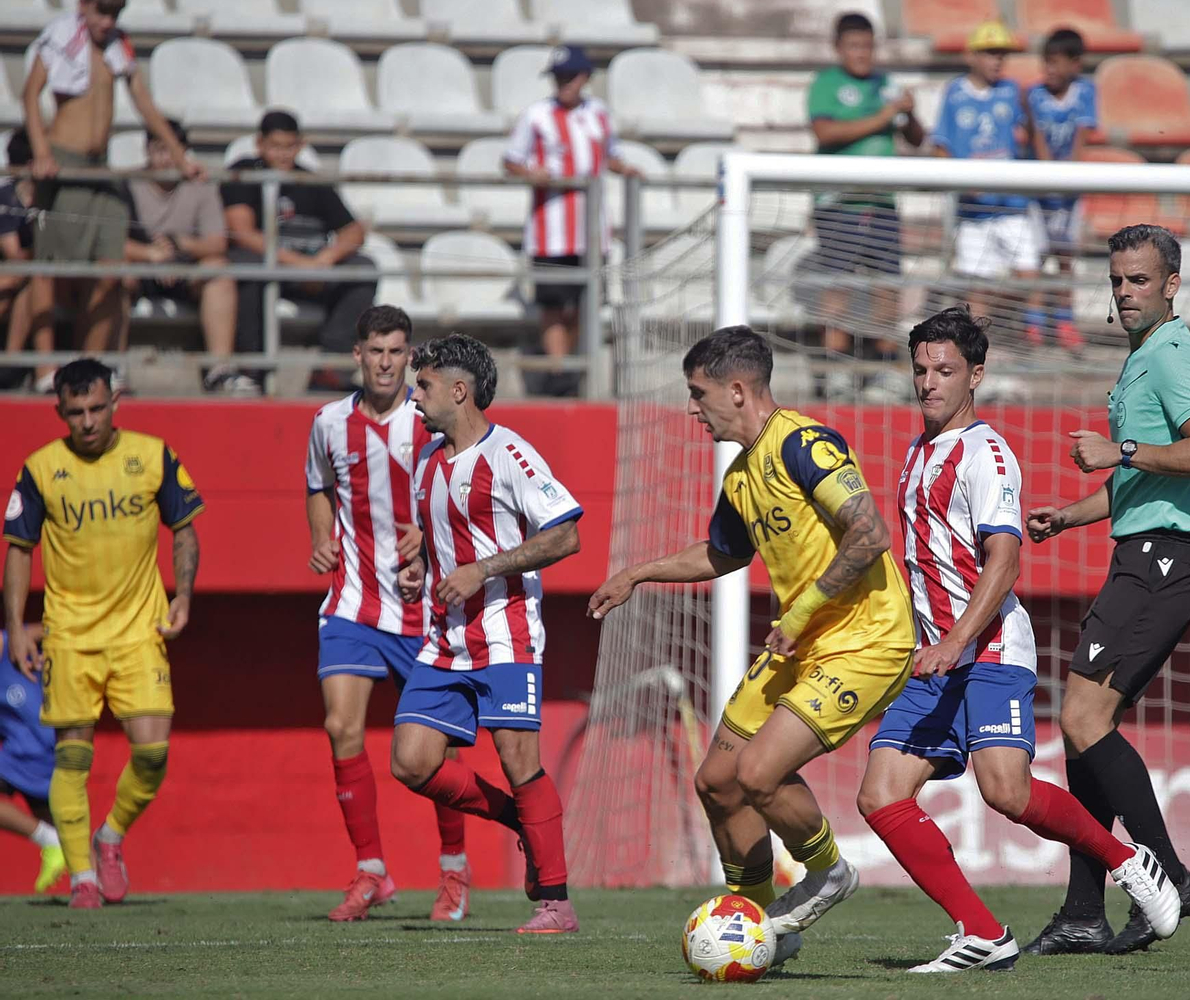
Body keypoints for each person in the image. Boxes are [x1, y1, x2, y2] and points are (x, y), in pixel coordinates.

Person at [857, 305, 1180, 973]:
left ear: (976, 374)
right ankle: (981, 933)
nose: (928, 382)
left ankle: (1129, 862)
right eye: (919, 370)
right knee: (879, 794)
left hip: (991, 650)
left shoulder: (987, 454)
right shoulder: (918, 453)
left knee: (1004, 791)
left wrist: (955, 643)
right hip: (938, 658)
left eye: (944, 370)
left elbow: (1004, 562)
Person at [589, 326, 917, 965]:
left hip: (866, 639)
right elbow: (722, 554)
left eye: (698, 392)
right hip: (801, 642)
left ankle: (827, 872)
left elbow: (869, 534)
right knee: (716, 782)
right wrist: (637, 572)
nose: (692, 409)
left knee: (757, 773)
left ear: (737, 390)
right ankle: (763, 925)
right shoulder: (742, 475)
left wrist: (803, 614)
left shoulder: (805, 445)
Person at [1024, 224, 1190, 954]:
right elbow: (1139, 484)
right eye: (1116, 281)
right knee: (1083, 732)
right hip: (1141, 552)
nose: (1124, 293)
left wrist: (1123, 448)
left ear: (1171, 285)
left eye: (1139, 280)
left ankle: (1168, 874)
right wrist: (1071, 514)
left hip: (1167, 559)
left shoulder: (1174, 355)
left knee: (1083, 718)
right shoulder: (1142, 359)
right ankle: (1085, 910)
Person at [388, 334, 584, 935]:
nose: (412, 395)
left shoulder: (513, 456)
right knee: (411, 761)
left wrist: (485, 567)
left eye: (421, 385)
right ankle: (520, 823)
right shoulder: (426, 462)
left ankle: (555, 902)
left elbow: (566, 535)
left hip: (507, 634)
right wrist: (420, 566)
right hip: (445, 639)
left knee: (518, 759)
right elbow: (437, 535)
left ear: (459, 390)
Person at [3, 357, 204, 909]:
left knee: (153, 754)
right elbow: (19, 551)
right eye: (75, 413)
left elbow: (184, 531)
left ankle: (109, 836)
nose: (88, 422)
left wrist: (183, 593)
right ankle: (83, 876)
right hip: (68, 635)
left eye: (97, 408)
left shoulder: (151, 455)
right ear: (60, 412)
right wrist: (16, 628)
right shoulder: (41, 468)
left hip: (140, 629)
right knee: (71, 758)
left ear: (115, 401)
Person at [305, 306, 476, 923]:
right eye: (376, 350)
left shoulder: (428, 419)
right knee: (340, 728)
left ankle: (454, 869)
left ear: (410, 358)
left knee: (433, 752)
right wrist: (321, 535)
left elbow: (461, 493)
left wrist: (426, 543)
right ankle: (371, 870)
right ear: (358, 353)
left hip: (423, 610)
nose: (385, 362)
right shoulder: (328, 423)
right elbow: (317, 487)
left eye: (397, 352)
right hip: (351, 602)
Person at [21, 0, 203, 363]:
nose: (107, 21)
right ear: (83, 5)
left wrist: (181, 158)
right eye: (101, 12)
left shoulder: (118, 45)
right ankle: (43, 368)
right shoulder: (60, 36)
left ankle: (89, 367)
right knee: (47, 268)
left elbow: (144, 104)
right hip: (62, 161)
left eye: (114, 13)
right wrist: (41, 152)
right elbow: (30, 95)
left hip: (98, 165)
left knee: (109, 269)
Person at [502, 45, 640, 398]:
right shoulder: (536, 115)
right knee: (552, 304)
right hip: (550, 229)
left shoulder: (599, 114)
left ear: (584, 78)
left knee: (585, 302)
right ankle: (560, 371)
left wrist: (627, 169)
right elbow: (511, 160)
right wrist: (532, 173)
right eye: (558, 78)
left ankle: (565, 369)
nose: (563, 84)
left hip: (593, 232)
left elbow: (612, 155)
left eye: (569, 77)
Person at [803, 12, 924, 398]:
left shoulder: (887, 84)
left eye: (868, 46)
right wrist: (883, 117)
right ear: (839, 48)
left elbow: (917, 138)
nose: (862, 53)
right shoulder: (826, 84)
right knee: (838, 285)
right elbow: (826, 132)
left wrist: (909, 114)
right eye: (854, 46)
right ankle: (834, 371)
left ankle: (882, 371)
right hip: (839, 203)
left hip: (881, 202)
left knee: (887, 287)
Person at [223, 110, 376, 392]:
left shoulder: (310, 181)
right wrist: (298, 263)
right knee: (245, 266)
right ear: (260, 144)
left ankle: (331, 367)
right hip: (270, 267)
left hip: (310, 269)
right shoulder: (243, 174)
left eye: (289, 146)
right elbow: (242, 232)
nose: (283, 154)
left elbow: (354, 231)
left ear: (300, 144)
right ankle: (252, 370)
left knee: (363, 268)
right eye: (275, 146)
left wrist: (325, 259)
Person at [124, 119, 251, 395]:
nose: (165, 158)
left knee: (219, 270)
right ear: (146, 150)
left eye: (172, 149)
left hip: (185, 269)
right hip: (139, 265)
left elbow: (217, 243)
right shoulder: (126, 183)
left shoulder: (200, 185)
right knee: (114, 271)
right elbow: (111, 241)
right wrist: (151, 255)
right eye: (158, 149)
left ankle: (220, 370)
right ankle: (110, 369)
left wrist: (180, 245)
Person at [930, 21, 1040, 327]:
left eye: (1002, 53)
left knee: (1030, 274)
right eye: (991, 53)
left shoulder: (1012, 91)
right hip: (974, 209)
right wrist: (961, 182)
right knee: (978, 285)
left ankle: (1030, 335)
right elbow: (941, 145)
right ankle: (982, 343)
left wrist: (1028, 118)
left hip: (1012, 204)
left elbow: (1029, 137)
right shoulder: (955, 94)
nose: (998, 60)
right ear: (972, 56)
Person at [1026, 28, 1097, 351]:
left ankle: (1066, 321)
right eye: (1046, 63)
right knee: (1038, 257)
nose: (1049, 70)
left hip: (1069, 191)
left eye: (1056, 63)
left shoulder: (1085, 93)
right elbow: (1037, 138)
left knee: (1066, 257)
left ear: (1075, 64)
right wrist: (1048, 177)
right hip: (1040, 190)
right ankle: (1035, 322)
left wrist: (1070, 178)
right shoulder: (1035, 96)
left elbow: (1081, 140)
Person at [0, 624, 67, 894]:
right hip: (26, 752)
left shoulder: (13, 641)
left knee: (59, 831)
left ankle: (50, 841)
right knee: (65, 831)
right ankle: (97, 882)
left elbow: (61, 628)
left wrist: (47, 644)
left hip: (39, 748)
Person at [0, 129, 44, 391]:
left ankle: (11, 365)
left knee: (29, 287)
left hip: (29, 276)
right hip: (12, 271)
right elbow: (13, 254)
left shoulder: (51, 197)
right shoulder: (5, 197)